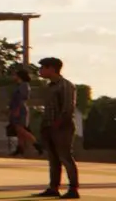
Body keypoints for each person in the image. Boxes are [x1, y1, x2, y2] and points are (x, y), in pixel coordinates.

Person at [36, 55, 81, 198]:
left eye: (43, 68)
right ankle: (53, 187)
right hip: (49, 126)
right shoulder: (49, 87)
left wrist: (58, 123)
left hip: (63, 127)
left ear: (52, 69)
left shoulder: (66, 85)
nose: (40, 71)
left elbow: (68, 108)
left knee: (65, 157)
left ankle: (73, 189)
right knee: (53, 159)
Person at [9, 63, 41, 159]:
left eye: (15, 75)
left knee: (20, 129)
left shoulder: (24, 85)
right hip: (17, 108)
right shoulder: (20, 85)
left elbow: (22, 98)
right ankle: (20, 148)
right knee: (19, 131)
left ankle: (37, 145)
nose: (13, 77)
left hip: (20, 109)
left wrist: (17, 109)